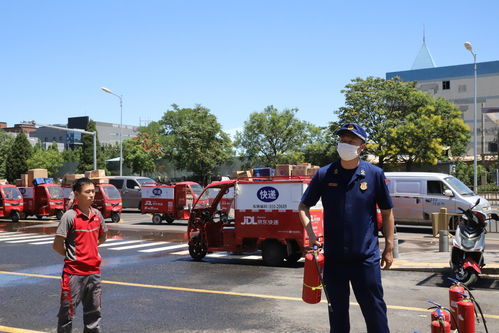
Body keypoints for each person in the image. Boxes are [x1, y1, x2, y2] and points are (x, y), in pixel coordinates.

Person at [299, 123, 395, 333]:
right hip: (334, 260)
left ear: (362, 147)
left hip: (365, 259)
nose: (345, 144)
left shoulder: (374, 174)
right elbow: (303, 206)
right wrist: (311, 233)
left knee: (374, 311)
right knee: (337, 314)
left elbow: (387, 213)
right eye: (343, 140)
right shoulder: (325, 174)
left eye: (351, 141)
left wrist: (389, 247)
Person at [52, 177, 108, 333]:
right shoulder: (69, 216)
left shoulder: (97, 214)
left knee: (94, 314)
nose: (91, 195)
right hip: (74, 274)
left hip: (94, 272)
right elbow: (57, 245)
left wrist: (90, 248)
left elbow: (103, 236)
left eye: (93, 191)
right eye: (87, 192)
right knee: (66, 314)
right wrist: (73, 254)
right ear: (77, 194)